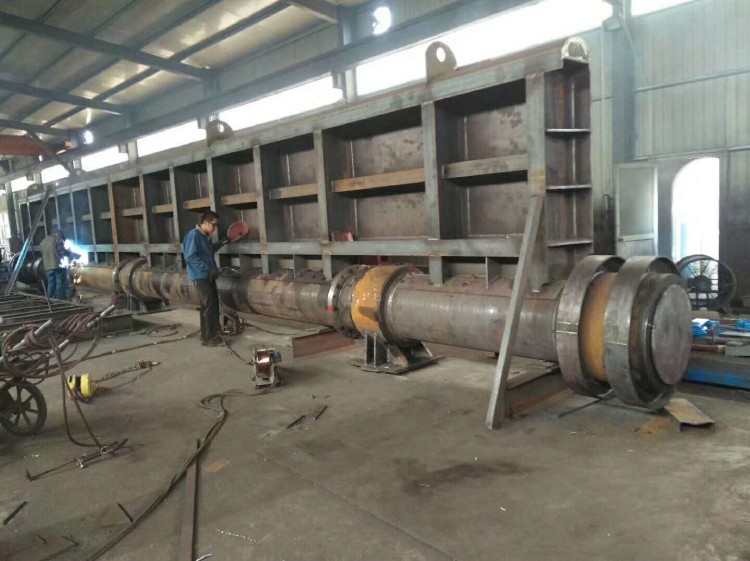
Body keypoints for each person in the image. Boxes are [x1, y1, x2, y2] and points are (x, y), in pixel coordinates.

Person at [183, 211, 226, 346]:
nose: (215, 228)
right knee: (209, 307)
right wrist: (207, 268)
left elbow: (208, 251)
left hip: (208, 276)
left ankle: (206, 335)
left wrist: (223, 242)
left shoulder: (205, 236)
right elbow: (190, 257)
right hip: (200, 276)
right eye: (214, 225)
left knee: (208, 306)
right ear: (206, 223)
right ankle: (211, 338)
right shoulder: (194, 235)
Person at [40, 229, 78, 300]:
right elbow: (62, 251)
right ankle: (61, 299)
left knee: (51, 283)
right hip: (58, 266)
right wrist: (72, 255)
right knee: (60, 283)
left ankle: (51, 299)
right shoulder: (58, 240)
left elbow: (43, 253)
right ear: (59, 235)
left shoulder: (43, 242)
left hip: (48, 266)